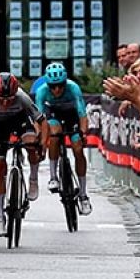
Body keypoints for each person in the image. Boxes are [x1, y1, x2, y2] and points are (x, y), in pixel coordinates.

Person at [0, 72, 47, 237]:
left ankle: (33, 179)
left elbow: (42, 122)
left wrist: (42, 144)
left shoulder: (22, 97)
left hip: (19, 120)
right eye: (1, 100)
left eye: (10, 99)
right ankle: (0, 218)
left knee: (31, 143)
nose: (6, 103)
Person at [35, 62, 92, 215]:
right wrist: (41, 138)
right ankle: (53, 177)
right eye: (53, 86)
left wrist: (83, 133)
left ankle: (83, 194)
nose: (57, 90)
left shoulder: (73, 88)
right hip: (52, 114)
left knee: (78, 149)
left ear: (65, 82)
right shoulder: (42, 92)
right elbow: (39, 120)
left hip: (71, 114)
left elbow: (82, 114)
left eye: (60, 85)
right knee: (54, 134)